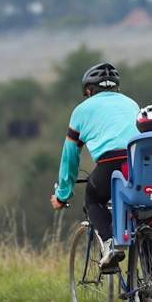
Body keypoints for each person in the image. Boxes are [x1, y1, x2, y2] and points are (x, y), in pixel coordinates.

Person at [50, 62, 140, 273]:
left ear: (89, 91)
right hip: (139, 162)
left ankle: (110, 243)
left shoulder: (81, 111)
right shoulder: (132, 103)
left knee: (93, 199)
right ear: (116, 88)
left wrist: (62, 195)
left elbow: (70, 157)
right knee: (140, 211)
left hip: (111, 164)